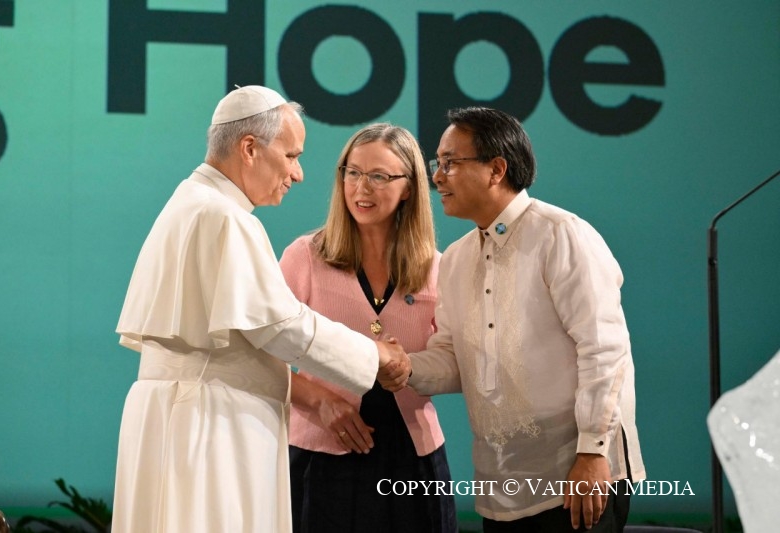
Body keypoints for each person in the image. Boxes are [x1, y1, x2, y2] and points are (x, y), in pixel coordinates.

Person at [111, 86, 409, 533]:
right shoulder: (225, 217)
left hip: (178, 415)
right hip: (211, 423)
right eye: (291, 156)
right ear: (250, 148)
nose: (298, 173)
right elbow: (281, 327)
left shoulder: (189, 202)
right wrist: (375, 355)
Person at [407, 107, 646, 532]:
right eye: (436, 164)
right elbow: (452, 360)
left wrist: (593, 452)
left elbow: (605, 350)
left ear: (496, 170)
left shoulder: (562, 234)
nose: (437, 177)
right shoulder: (456, 259)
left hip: (577, 478)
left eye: (450, 163)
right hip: (500, 488)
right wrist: (397, 366)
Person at [278, 123, 458, 532]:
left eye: (379, 176)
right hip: (320, 457)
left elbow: (455, 362)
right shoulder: (304, 257)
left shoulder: (439, 269)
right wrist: (319, 401)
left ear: (409, 187)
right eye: (353, 172)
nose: (362, 187)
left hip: (413, 462)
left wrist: (409, 368)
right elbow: (256, 355)